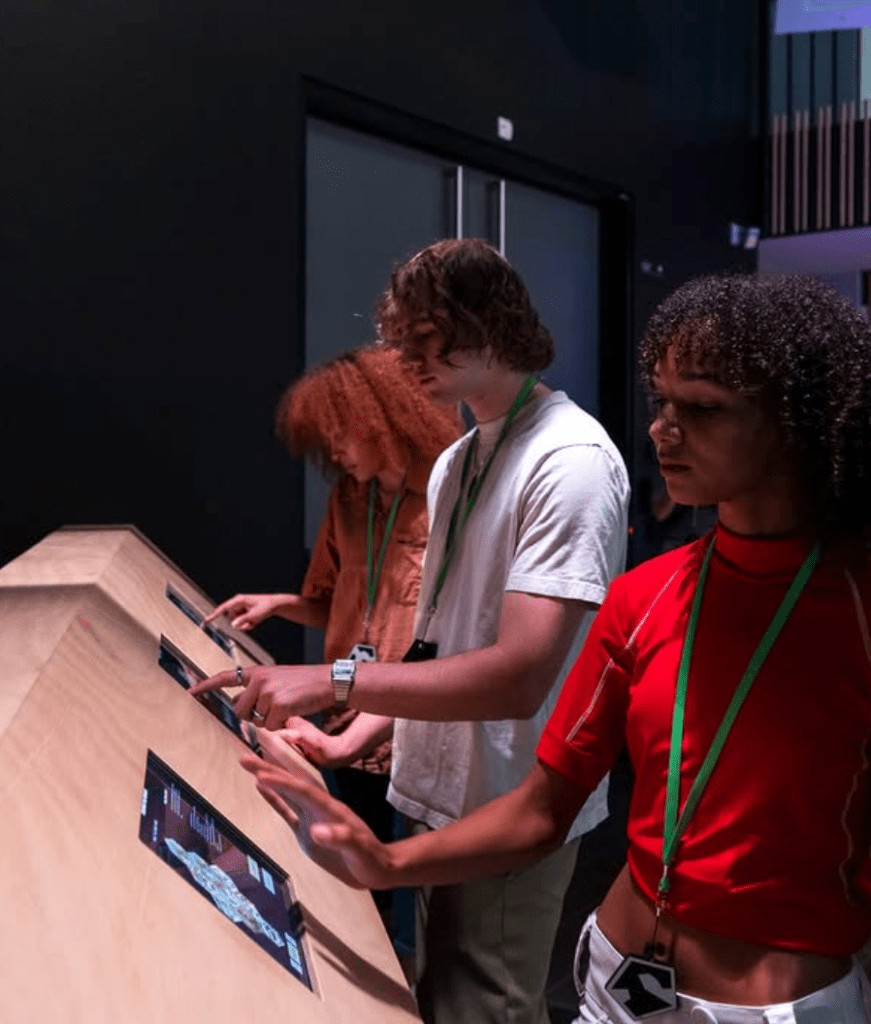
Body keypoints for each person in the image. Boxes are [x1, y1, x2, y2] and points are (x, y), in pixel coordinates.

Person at [238, 274, 871, 1024]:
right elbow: (541, 807)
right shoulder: (645, 596)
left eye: (700, 409)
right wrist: (384, 863)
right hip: (613, 979)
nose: (662, 431)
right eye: (660, 403)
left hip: (775, 1006)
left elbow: (516, 680)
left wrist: (342, 688)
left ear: (798, 419)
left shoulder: (854, 608)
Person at [193, 238, 630, 1024]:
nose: (406, 360)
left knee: (485, 1008)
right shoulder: (459, 461)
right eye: (400, 341)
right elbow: (438, 649)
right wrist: (352, 739)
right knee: (444, 999)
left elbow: (519, 676)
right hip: (437, 795)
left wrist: (332, 680)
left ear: (491, 326)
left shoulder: (570, 460)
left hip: (505, 802)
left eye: (425, 338)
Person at [205, 344, 461, 845]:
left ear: (380, 419)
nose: (334, 451)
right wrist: (279, 604)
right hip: (342, 718)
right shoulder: (348, 498)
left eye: (339, 434)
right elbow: (333, 605)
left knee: (417, 865)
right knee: (353, 856)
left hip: (417, 732)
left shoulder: (447, 499)